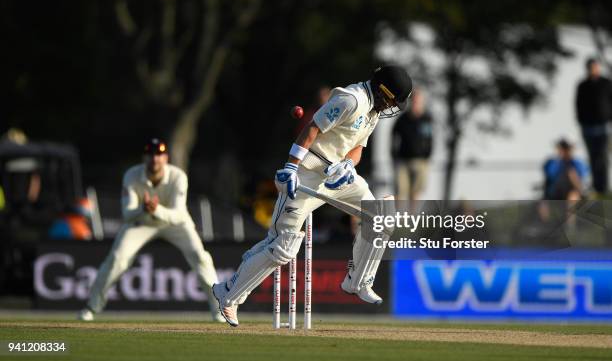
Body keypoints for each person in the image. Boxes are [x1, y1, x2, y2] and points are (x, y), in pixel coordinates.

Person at [212, 65, 413, 327]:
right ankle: (228, 293)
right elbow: (311, 129)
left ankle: (358, 280)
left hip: (336, 176)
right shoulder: (350, 100)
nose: (390, 107)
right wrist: (291, 168)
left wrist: (349, 165)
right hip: (307, 174)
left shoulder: (373, 111)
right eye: (391, 100)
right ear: (381, 90)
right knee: (283, 247)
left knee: (382, 215)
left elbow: (356, 148)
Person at [78, 139, 223, 322]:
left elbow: (178, 214)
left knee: (200, 257)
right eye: (151, 155)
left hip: (175, 224)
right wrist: (144, 209)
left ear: (166, 158)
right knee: (116, 258)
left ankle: (219, 309)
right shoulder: (132, 175)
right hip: (142, 221)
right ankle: (92, 307)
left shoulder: (178, 176)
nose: (155, 159)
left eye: (159, 155)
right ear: (144, 158)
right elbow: (127, 214)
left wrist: (156, 209)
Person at [575, 58, 612, 195]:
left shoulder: (606, 83)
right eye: (590, 67)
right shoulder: (582, 85)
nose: (593, 69)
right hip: (588, 127)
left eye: (595, 67)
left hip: (604, 126)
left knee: (603, 156)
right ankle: (596, 186)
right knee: (592, 157)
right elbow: (578, 105)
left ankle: (604, 187)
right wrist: (581, 121)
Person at [391, 88, 433, 204]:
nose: (416, 103)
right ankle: (398, 219)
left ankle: (411, 219)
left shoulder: (426, 119)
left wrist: (427, 155)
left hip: (420, 161)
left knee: (415, 193)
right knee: (400, 191)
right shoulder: (402, 119)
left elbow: (430, 139)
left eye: (418, 101)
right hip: (403, 161)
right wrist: (394, 155)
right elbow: (394, 136)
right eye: (414, 100)